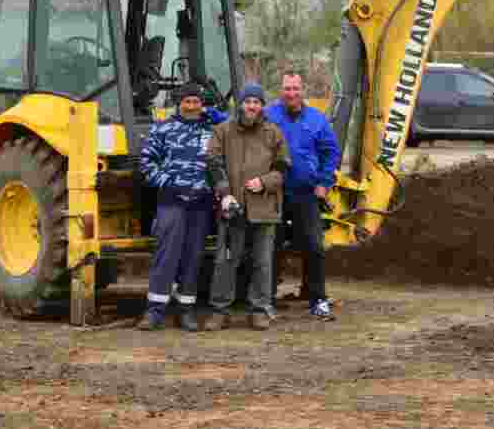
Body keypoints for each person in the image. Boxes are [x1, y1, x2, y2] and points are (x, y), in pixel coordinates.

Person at [137, 81, 223, 331]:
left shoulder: (212, 130)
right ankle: (154, 311)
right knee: (166, 256)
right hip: (171, 202)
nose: (192, 106)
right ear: (179, 103)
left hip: (201, 204)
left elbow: (237, 122)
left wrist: (213, 113)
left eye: (196, 102)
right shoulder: (163, 128)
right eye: (187, 101)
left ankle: (186, 311)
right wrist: (170, 184)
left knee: (193, 258)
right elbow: (147, 164)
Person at [204, 83, 291, 331]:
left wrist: (264, 182)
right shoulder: (223, 131)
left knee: (262, 262)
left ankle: (259, 310)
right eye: (248, 101)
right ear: (240, 104)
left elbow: (283, 167)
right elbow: (212, 162)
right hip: (233, 208)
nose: (252, 106)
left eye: (256, 102)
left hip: (265, 207)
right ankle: (219, 311)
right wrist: (224, 194)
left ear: (262, 106)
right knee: (225, 261)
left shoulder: (273, 133)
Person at [264, 71, 341, 320]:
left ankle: (318, 299)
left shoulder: (317, 120)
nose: (291, 93)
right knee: (270, 245)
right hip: (273, 193)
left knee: (314, 246)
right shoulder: (268, 116)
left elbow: (331, 152)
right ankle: (267, 299)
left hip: (305, 193)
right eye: (287, 88)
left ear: (302, 90)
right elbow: (240, 125)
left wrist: (324, 182)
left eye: (295, 88)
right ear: (281, 90)